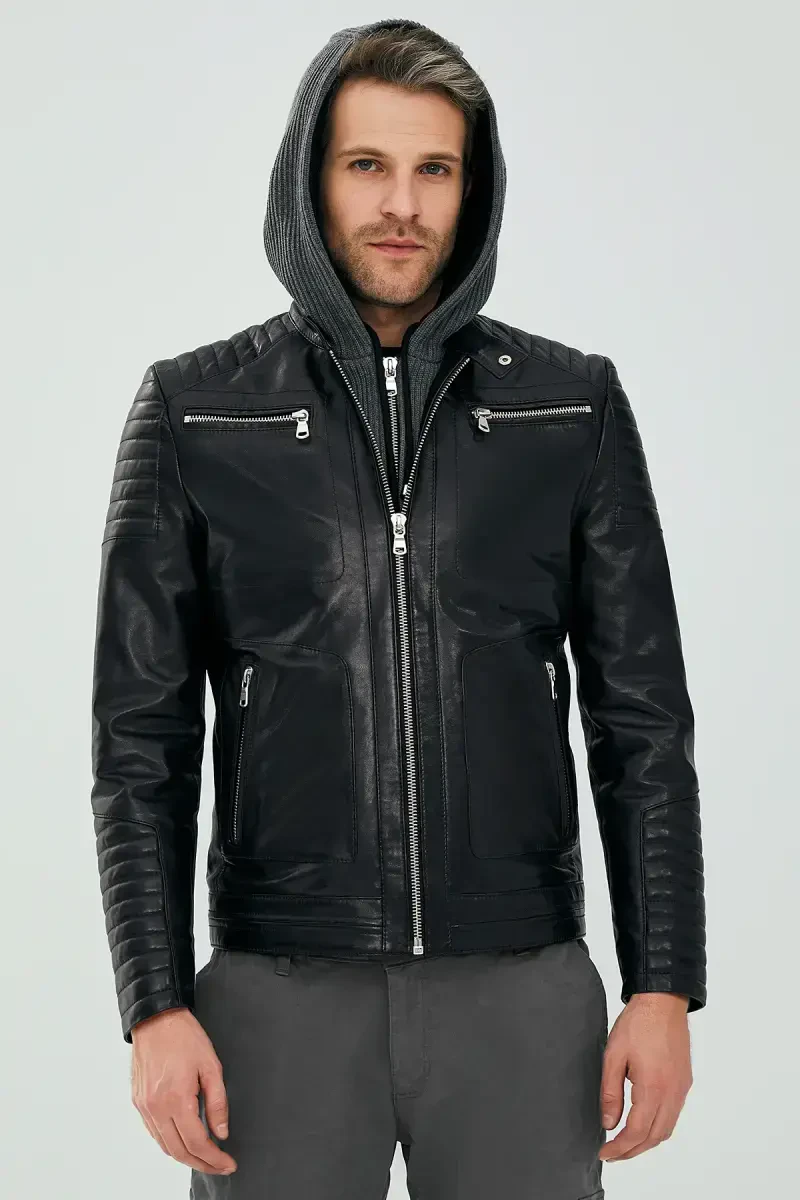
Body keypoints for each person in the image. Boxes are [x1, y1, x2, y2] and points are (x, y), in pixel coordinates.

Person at [90, 16, 706, 1199]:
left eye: (435, 169)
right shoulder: (194, 412)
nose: (401, 206)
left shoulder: (568, 407)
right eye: (366, 164)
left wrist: (662, 982)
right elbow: (138, 743)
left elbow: (641, 722)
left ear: (472, 191)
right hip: (277, 992)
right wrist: (153, 1004)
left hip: (520, 987)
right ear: (308, 178)